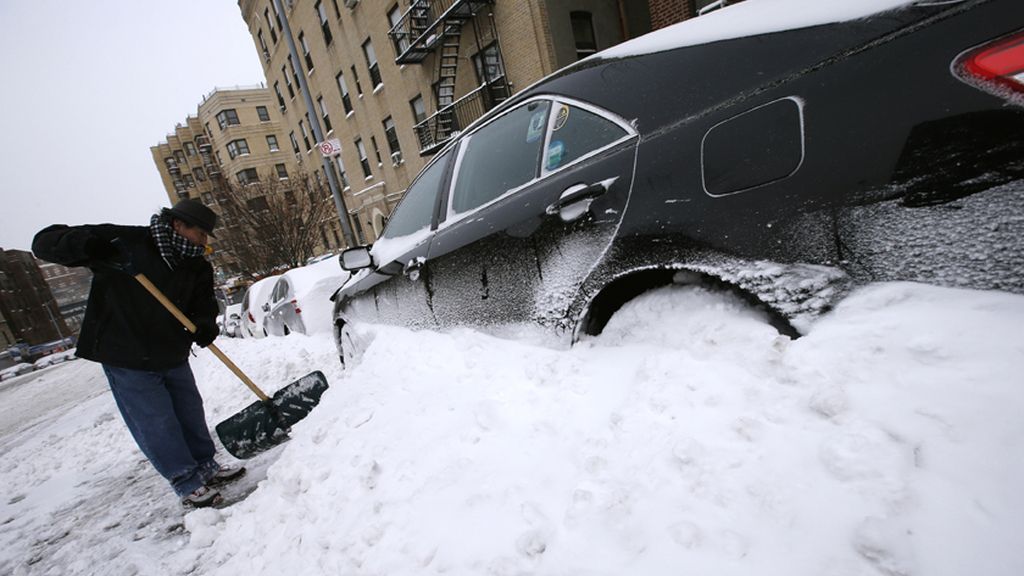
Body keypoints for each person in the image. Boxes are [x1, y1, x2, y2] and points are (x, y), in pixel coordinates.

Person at [32, 199, 244, 508]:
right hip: (126, 353)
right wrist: (88, 246)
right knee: (157, 421)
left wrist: (203, 324)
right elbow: (44, 242)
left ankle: (206, 466)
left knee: (189, 412)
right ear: (178, 225)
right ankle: (186, 480)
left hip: (170, 349)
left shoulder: (197, 263)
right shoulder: (126, 242)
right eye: (200, 232)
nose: (204, 240)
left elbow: (203, 304)